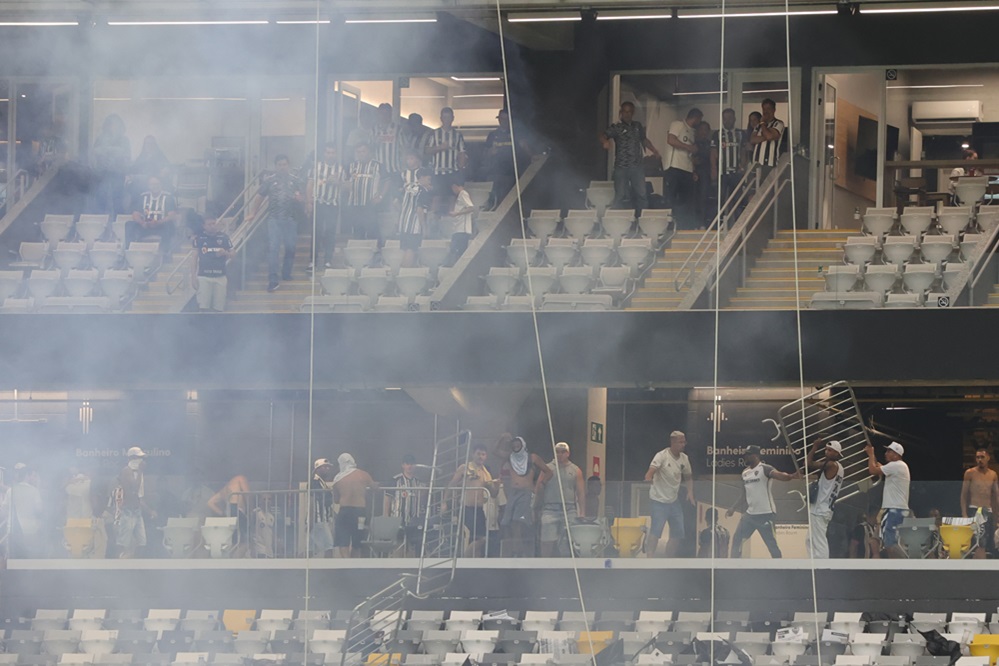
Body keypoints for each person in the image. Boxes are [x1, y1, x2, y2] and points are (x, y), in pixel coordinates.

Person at [727, 445, 800, 558]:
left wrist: (790, 476)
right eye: (745, 455)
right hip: (750, 515)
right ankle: (734, 568)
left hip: (766, 514)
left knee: (772, 546)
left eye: (748, 455)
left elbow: (779, 475)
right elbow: (744, 495)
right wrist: (733, 507)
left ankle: (780, 569)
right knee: (737, 539)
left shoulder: (765, 468)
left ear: (755, 456)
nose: (745, 457)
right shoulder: (745, 473)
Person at [250, 154, 305, 292]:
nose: (282, 167)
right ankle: (273, 280)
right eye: (279, 164)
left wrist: (300, 199)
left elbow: (302, 197)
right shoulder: (269, 181)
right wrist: (253, 213)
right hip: (274, 219)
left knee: (291, 248)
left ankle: (286, 273)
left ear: (288, 165)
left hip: (291, 219)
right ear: (276, 166)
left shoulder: (296, 180)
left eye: (284, 164)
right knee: (274, 249)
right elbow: (259, 197)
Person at [494, 433, 552, 557]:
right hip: (513, 493)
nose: (515, 446)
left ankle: (518, 552)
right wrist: (502, 438)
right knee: (506, 522)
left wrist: (540, 484)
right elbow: (495, 452)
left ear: (523, 444)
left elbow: (548, 471)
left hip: (526, 493)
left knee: (518, 522)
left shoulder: (532, 458)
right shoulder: (510, 457)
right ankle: (516, 550)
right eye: (513, 445)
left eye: (517, 444)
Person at [600, 101, 660, 214]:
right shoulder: (616, 127)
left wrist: (654, 150)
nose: (627, 114)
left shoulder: (637, 126)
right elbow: (603, 135)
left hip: (637, 167)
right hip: (621, 167)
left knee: (642, 194)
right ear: (621, 112)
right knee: (620, 195)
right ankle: (618, 222)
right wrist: (605, 142)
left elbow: (644, 140)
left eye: (629, 112)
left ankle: (642, 221)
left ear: (633, 113)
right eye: (625, 112)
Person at [644, 430, 694, 557]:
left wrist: (690, 492)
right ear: (673, 442)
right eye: (681, 442)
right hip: (658, 501)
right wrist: (648, 479)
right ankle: (649, 557)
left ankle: (669, 559)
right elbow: (650, 472)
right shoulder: (661, 456)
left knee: (678, 533)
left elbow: (688, 477)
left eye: (684, 442)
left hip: (673, 501)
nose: (683, 444)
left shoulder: (684, 458)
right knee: (656, 530)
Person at [536, 442, 585, 557]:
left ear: (568, 453)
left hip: (569, 509)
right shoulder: (547, 468)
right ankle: (546, 565)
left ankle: (567, 566)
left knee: (568, 541)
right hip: (549, 508)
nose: (560, 454)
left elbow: (581, 492)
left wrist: (582, 512)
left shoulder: (575, 470)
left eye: (563, 452)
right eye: (557, 452)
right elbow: (538, 488)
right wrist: (536, 507)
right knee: (547, 540)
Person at [449, 444, 499, 557]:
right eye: (478, 454)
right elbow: (451, 484)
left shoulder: (486, 473)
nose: (480, 457)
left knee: (480, 538)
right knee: (480, 538)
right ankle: (464, 558)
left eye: (483, 454)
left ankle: (472, 561)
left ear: (486, 456)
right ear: (473, 454)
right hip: (466, 508)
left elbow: (494, 494)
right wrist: (444, 502)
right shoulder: (465, 467)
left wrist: (496, 486)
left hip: (479, 509)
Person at [864, 441, 910, 559]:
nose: (886, 453)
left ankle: (901, 564)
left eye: (889, 451)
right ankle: (898, 564)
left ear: (896, 454)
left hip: (894, 508)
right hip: (897, 508)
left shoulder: (897, 465)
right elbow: (879, 468)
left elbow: (873, 470)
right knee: (890, 539)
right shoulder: (899, 466)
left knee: (890, 541)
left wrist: (870, 455)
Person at [306, 142, 346, 271]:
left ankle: (328, 260)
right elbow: (310, 185)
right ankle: (312, 261)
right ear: (324, 153)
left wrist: (338, 182)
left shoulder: (341, 169)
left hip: (333, 204)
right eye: (328, 152)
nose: (330, 155)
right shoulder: (316, 167)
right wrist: (309, 202)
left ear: (336, 154)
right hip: (318, 203)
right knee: (316, 232)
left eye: (333, 152)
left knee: (330, 232)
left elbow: (348, 186)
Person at [804, 439, 844, 559]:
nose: (827, 452)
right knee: (810, 540)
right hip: (823, 508)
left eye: (830, 450)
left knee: (819, 541)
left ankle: (822, 567)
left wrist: (814, 447)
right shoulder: (840, 467)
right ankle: (814, 564)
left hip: (820, 509)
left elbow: (808, 464)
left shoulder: (831, 465)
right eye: (826, 449)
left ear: (837, 453)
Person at [664, 108, 703, 230]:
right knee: (672, 197)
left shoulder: (692, 132)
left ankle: (684, 225)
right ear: (695, 118)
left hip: (687, 169)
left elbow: (689, 154)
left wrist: (693, 170)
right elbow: (671, 140)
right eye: (699, 120)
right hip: (675, 166)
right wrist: (688, 147)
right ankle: (669, 225)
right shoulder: (677, 124)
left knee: (686, 200)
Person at [114, 447, 155, 559]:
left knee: (142, 542)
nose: (141, 461)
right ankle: (119, 562)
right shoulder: (126, 471)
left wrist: (149, 510)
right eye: (139, 457)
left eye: (142, 458)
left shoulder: (138, 474)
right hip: (128, 511)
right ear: (132, 458)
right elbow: (133, 489)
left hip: (137, 511)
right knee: (123, 542)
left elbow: (139, 497)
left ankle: (136, 563)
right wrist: (141, 471)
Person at [331, 453, 375, 558]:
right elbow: (374, 487)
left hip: (344, 512)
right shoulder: (363, 475)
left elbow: (336, 500)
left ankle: (346, 562)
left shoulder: (338, 479)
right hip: (360, 513)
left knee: (343, 540)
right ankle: (354, 564)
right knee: (358, 541)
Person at [428, 107, 467, 216]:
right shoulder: (434, 134)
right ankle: (432, 222)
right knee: (437, 197)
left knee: (452, 197)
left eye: (449, 117)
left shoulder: (457, 135)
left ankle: (451, 221)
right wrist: (441, 147)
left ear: (453, 118)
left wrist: (461, 167)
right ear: (441, 118)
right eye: (444, 117)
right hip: (437, 171)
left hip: (452, 171)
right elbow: (428, 150)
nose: (447, 120)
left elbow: (462, 152)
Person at [344, 142, 386, 244]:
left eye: (363, 151)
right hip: (355, 204)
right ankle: (360, 256)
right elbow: (346, 182)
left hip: (370, 204)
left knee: (372, 231)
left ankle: (376, 254)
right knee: (358, 232)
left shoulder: (378, 166)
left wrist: (380, 196)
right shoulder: (351, 166)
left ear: (370, 153)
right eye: (358, 152)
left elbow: (386, 182)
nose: (361, 154)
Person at [126, 175, 178, 256]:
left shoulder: (168, 197)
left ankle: (164, 253)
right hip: (146, 226)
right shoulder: (143, 196)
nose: (155, 186)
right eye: (152, 184)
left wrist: (158, 222)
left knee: (169, 225)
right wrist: (142, 223)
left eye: (157, 184)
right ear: (148, 186)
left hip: (161, 226)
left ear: (161, 185)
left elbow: (172, 215)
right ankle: (128, 252)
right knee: (129, 224)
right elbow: (135, 214)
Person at [960, 447, 999, 558]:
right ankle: (978, 563)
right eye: (977, 457)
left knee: (987, 540)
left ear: (988, 458)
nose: (980, 460)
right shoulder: (970, 473)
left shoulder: (993, 474)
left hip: (989, 510)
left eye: (982, 457)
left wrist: (997, 516)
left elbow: (996, 497)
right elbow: (964, 495)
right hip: (974, 509)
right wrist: (964, 514)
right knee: (977, 541)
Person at [191, 216, 234, 313]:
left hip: (220, 276)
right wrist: (193, 276)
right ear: (204, 226)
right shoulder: (199, 238)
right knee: (203, 308)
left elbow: (233, 254)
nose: (212, 226)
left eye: (214, 223)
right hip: (204, 276)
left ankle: (217, 327)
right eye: (209, 224)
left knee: (219, 308)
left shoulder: (224, 237)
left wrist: (225, 253)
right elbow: (194, 258)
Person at [92, 113, 131, 216]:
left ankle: (117, 226)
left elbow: (126, 156)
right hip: (102, 174)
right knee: (101, 200)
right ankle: (100, 226)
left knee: (117, 200)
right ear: (107, 125)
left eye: (116, 124)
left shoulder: (124, 140)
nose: (113, 126)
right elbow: (94, 153)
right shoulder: (100, 139)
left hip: (118, 174)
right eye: (111, 124)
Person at [386, 454, 424, 556]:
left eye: (411, 464)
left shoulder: (419, 482)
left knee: (412, 547)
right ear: (403, 465)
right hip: (398, 519)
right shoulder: (395, 480)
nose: (409, 466)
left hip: (414, 521)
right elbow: (387, 499)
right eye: (407, 464)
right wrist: (387, 517)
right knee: (399, 545)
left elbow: (423, 499)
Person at [710, 108, 747, 210]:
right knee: (719, 200)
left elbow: (744, 151)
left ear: (734, 119)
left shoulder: (741, 133)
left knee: (737, 200)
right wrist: (714, 169)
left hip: (736, 172)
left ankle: (737, 224)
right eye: (725, 118)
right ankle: (719, 224)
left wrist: (743, 166)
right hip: (722, 172)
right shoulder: (717, 134)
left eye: (730, 118)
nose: (727, 121)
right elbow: (713, 153)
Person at [207, 474, 251, 555]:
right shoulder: (240, 478)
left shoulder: (224, 489)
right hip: (237, 510)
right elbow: (247, 494)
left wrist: (222, 514)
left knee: (234, 541)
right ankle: (236, 561)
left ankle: (232, 560)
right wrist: (250, 509)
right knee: (245, 541)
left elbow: (210, 502)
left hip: (229, 512)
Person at [483, 109, 519, 210]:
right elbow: (484, 154)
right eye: (502, 119)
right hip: (494, 173)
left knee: (507, 200)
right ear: (498, 120)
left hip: (509, 174)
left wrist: (532, 155)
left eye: (506, 119)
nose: (504, 121)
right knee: (492, 200)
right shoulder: (492, 135)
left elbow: (524, 146)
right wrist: (490, 152)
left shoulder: (514, 134)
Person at [397, 167, 432, 269]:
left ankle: (402, 271)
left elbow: (395, 202)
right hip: (414, 226)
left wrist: (404, 213)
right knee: (411, 249)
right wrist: (424, 227)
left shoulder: (409, 187)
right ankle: (405, 272)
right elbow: (419, 209)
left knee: (406, 249)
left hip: (403, 224)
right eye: (429, 179)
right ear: (422, 177)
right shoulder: (422, 190)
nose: (430, 182)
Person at [11, 463, 43, 558]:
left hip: (16, 530)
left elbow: (4, 509)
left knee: (18, 557)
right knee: (32, 556)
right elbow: (39, 509)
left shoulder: (11, 490)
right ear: (27, 476)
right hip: (32, 529)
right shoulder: (34, 491)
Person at [749, 99, 785, 176]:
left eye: (768, 109)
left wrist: (763, 124)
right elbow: (752, 140)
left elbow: (769, 136)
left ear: (774, 110)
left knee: (767, 187)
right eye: (764, 109)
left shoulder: (778, 123)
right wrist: (767, 136)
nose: (766, 111)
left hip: (769, 164)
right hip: (756, 163)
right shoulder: (758, 126)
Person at [310, 458, 336, 558]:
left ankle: (294, 564)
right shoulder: (315, 482)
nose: (328, 469)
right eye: (325, 467)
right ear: (318, 469)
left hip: (321, 519)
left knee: (311, 549)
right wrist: (311, 519)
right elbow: (316, 500)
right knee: (329, 546)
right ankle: (327, 571)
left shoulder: (321, 482)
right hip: (318, 519)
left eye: (328, 467)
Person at [445, 180, 475, 266]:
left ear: (455, 186)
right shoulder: (459, 195)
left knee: (459, 251)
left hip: (463, 229)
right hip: (458, 228)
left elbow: (471, 208)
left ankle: (458, 266)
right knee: (454, 249)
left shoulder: (463, 193)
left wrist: (457, 213)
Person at [692, 121, 713, 226]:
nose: (703, 132)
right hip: (695, 174)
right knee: (694, 199)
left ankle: (703, 223)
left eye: (706, 130)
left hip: (707, 174)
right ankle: (695, 223)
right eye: (701, 129)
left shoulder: (711, 144)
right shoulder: (693, 143)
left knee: (704, 198)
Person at [373, 103, 402, 177]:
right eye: (382, 113)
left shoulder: (398, 129)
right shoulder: (373, 130)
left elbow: (404, 149)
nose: (384, 116)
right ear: (378, 114)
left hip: (394, 169)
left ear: (391, 114)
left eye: (387, 113)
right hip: (377, 170)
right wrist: (375, 143)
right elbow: (369, 148)